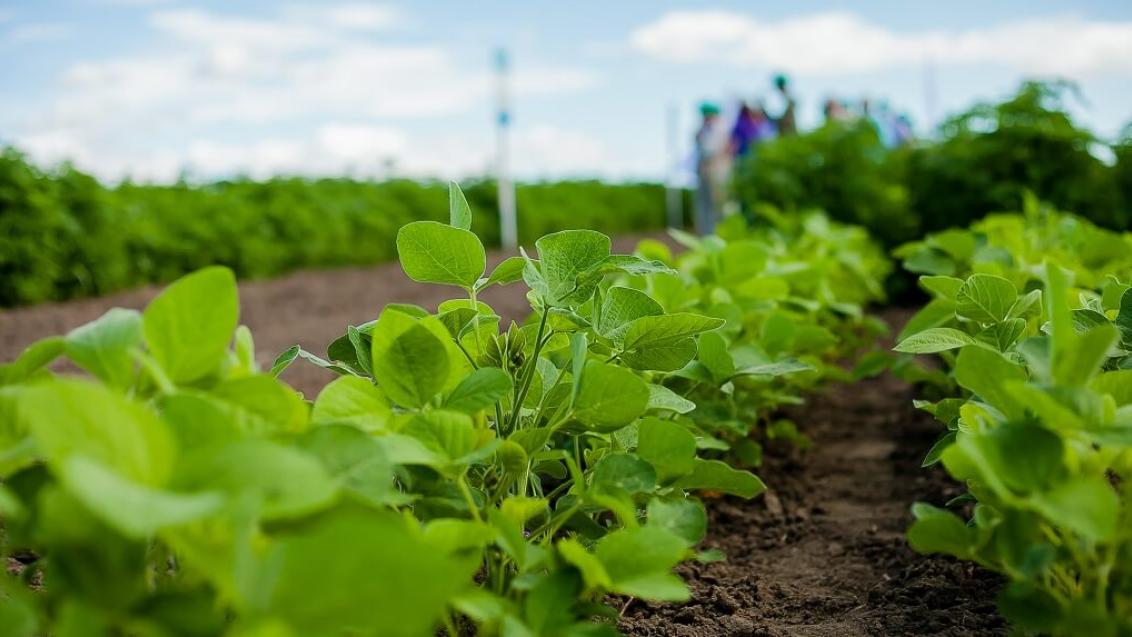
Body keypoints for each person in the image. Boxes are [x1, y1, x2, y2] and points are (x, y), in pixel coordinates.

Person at [694, 101, 729, 235]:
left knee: (718, 203)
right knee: (704, 204)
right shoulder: (701, 130)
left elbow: (715, 150)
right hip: (703, 172)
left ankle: (719, 233)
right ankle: (705, 234)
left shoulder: (721, 130)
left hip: (717, 171)